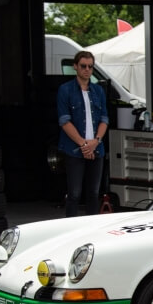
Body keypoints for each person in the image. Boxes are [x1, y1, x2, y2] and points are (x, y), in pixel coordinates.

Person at [57, 51, 109, 217]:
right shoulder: (65, 90)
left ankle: (91, 228)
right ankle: (71, 229)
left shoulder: (98, 91)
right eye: (83, 66)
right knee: (74, 193)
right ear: (75, 67)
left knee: (93, 193)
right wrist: (83, 144)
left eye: (90, 66)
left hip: (96, 148)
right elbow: (64, 120)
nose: (87, 70)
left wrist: (96, 141)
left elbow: (104, 119)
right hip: (75, 148)